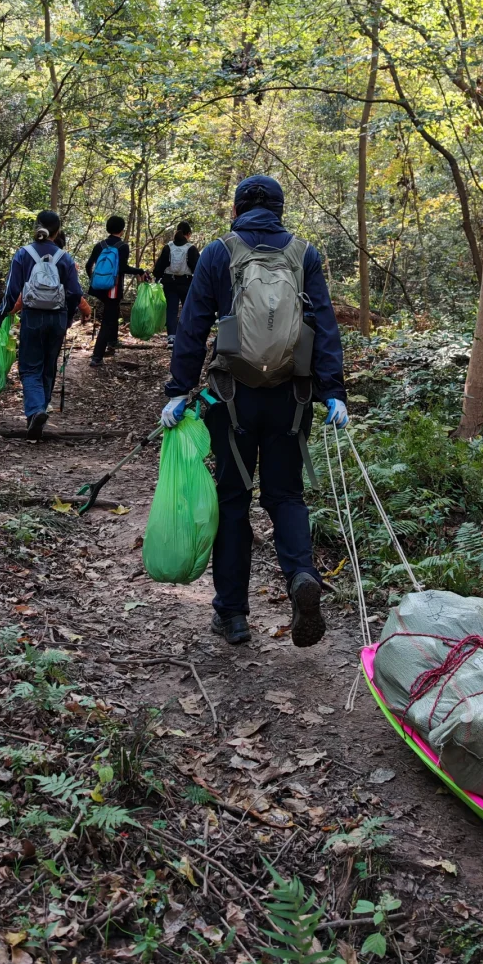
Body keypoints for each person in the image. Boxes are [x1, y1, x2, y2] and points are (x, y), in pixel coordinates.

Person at [160, 175, 348, 649]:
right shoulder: (304, 253)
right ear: (281, 209)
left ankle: (233, 615)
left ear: (237, 208)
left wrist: (180, 389)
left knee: (232, 500)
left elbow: (193, 323)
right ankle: (302, 575)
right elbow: (323, 323)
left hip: (232, 397)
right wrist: (333, 392)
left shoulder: (220, 253)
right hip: (293, 399)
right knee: (286, 496)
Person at [0, 211, 82, 438]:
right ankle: (39, 413)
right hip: (57, 318)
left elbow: (12, 291)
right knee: (48, 367)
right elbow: (76, 293)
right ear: (57, 231)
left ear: (37, 227)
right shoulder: (65, 258)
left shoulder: (24, 254)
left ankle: (36, 411)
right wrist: (67, 318)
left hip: (32, 317)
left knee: (30, 368)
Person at [86, 215, 148, 367]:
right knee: (108, 320)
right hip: (112, 289)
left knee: (112, 312)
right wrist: (140, 270)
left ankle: (112, 341)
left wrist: (94, 280)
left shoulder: (99, 245)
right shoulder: (122, 246)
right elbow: (122, 268)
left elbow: (89, 265)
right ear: (121, 229)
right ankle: (97, 357)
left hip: (98, 288)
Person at [153, 221, 199, 348]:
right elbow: (197, 268)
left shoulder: (168, 247)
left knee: (172, 309)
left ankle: (171, 338)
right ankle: (186, 336)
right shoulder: (191, 248)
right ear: (188, 234)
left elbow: (159, 267)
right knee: (186, 309)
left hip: (170, 282)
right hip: (186, 282)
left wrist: (157, 277)